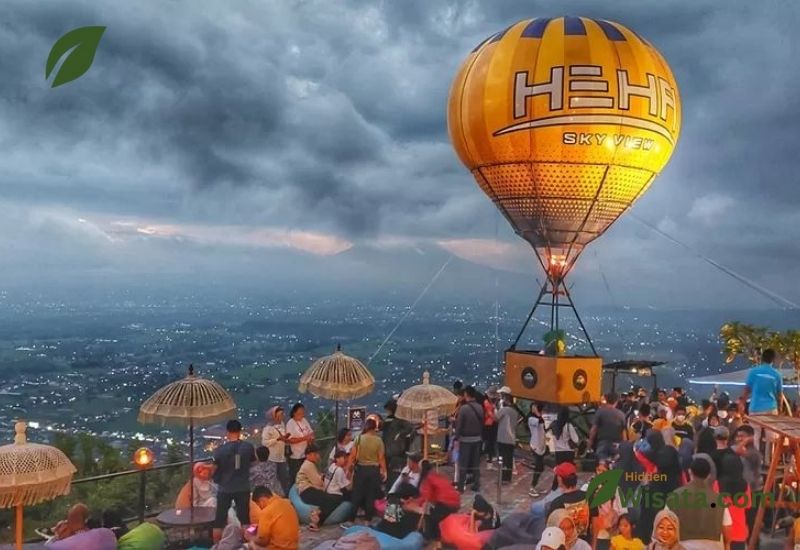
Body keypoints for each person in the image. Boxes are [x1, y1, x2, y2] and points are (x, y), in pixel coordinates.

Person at [665, 458, 732, 550]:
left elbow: (664, 522)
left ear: (690, 472)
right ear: (708, 475)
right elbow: (727, 529)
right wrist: (727, 545)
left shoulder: (675, 496)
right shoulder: (718, 499)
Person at [213, 420, 256, 538]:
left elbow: (215, 468)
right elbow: (253, 462)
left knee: (219, 521)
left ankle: (216, 544)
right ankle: (249, 542)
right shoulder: (248, 447)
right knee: (245, 519)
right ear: (240, 431)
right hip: (243, 486)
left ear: (227, 432)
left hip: (224, 488)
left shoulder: (220, 450)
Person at [741, 349, 783, 460]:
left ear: (762, 358)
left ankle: (755, 460)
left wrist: (742, 403)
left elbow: (746, 390)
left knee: (756, 434)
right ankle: (769, 461)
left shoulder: (753, 372)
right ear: (773, 360)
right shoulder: (776, 374)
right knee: (771, 436)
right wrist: (780, 408)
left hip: (755, 407)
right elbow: (779, 395)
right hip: (771, 408)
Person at [296, 442, 342, 531]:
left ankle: (317, 517)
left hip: (309, 490)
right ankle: (316, 520)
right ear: (309, 455)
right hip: (307, 491)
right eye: (315, 454)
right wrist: (324, 486)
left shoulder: (310, 464)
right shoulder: (308, 465)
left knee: (332, 499)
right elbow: (318, 483)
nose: (318, 456)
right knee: (334, 499)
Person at [349, 418, 387, 523]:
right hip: (373, 471)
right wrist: (384, 470)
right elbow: (381, 458)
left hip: (360, 469)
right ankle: (367, 520)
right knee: (370, 495)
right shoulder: (378, 441)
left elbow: (352, 456)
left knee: (357, 494)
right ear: (375, 428)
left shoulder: (358, 439)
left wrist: (348, 469)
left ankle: (351, 519)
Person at [246, 485, 299, 550]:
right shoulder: (287, 503)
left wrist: (251, 538)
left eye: (258, 505)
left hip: (279, 548)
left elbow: (263, 541)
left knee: (251, 544)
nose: (260, 508)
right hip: (294, 547)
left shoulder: (266, 511)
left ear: (261, 500)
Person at [419, 459, 461, 539]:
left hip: (446, 503)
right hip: (455, 501)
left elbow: (426, 497)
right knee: (435, 515)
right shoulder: (436, 475)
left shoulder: (428, 478)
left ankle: (432, 539)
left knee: (431, 520)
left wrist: (417, 503)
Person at [546, 462, 590, 538]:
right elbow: (595, 522)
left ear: (560, 479)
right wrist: (593, 544)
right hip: (585, 539)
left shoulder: (557, 503)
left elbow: (550, 530)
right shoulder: (589, 496)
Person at [454, 385, 484, 493]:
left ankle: (461, 486)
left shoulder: (464, 409)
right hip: (477, 439)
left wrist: (456, 438)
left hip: (465, 440)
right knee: (475, 463)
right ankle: (476, 484)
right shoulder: (480, 407)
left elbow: (459, 425)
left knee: (463, 464)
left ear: (466, 394)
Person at [381, 399, 414, 489]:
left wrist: (399, 434)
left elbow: (409, 428)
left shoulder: (400, 419)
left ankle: (395, 488)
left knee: (395, 472)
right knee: (388, 471)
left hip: (396, 450)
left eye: (388, 409)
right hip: (387, 448)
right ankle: (389, 488)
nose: (387, 411)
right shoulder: (388, 419)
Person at [262, 405, 291, 496]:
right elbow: (264, 442)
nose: (282, 416)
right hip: (272, 458)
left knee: (284, 478)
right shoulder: (268, 428)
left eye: (282, 414)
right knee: (272, 479)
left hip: (281, 457)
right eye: (280, 415)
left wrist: (285, 438)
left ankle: (285, 496)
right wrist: (277, 439)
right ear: (274, 416)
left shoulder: (282, 424)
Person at [590, 393, 626, 460]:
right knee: (615, 464)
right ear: (616, 402)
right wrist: (624, 446)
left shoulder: (600, 412)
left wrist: (590, 442)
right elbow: (623, 433)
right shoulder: (622, 415)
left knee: (602, 463)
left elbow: (594, 429)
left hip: (603, 443)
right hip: (616, 444)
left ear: (606, 400)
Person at [285, 403, 314, 487]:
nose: (301, 415)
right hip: (296, 456)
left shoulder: (304, 420)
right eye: (299, 413)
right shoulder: (290, 423)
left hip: (306, 454)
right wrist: (304, 438)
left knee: (305, 477)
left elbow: (311, 432)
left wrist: (311, 438)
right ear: (294, 413)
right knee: (296, 478)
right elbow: (290, 440)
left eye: (303, 413)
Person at [495, 393, 521, 484]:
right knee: (509, 459)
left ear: (506, 400)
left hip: (503, 437)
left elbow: (495, 418)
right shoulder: (515, 411)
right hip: (511, 438)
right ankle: (508, 478)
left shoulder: (504, 410)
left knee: (502, 458)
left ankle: (502, 478)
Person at [529, 402, 547, 497]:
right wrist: (536, 411)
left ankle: (535, 486)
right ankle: (532, 487)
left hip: (541, 445)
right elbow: (540, 421)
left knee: (541, 467)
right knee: (538, 467)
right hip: (535, 446)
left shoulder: (540, 418)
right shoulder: (531, 419)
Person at [483, 388, 499, 468]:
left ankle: (490, 457)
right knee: (490, 442)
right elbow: (491, 415)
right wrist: (497, 419)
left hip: (492, 424)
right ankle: (489, 460)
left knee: (491, 442)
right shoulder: (487, 403)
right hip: (489, 425)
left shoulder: (491, 403)